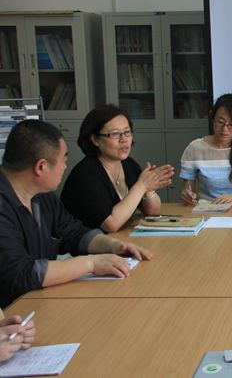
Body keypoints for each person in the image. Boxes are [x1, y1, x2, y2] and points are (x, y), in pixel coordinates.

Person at [0, 120, 153, 308]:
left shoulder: (42, 196)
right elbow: (20, 274)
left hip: (40, 301)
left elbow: (74, 232)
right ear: (41, 167)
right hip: (13, 312)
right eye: (64, 160)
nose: (65, 167)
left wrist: (115, 246)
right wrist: (90, 264)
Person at [61, 105, 174, 232]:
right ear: (95, 139)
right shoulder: (86, 174)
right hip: (85, 243)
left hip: (117, 239)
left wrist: (149, 188)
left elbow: (153, 211)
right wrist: (141, 186)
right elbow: (111, 225)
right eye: (115, 134)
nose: (124, 139)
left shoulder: (128, 164)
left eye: (127, 132)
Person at [179, 94, 232, 205]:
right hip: (206, 209)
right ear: (212, 116)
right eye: (220, 122)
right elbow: (187, 189)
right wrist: (187, 195)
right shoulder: (195, 148)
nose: (225, 129)